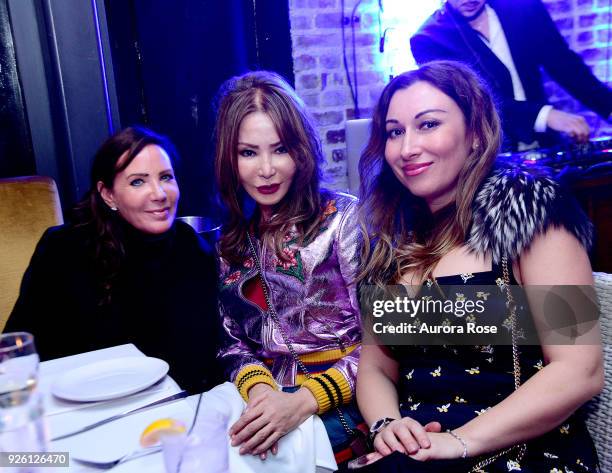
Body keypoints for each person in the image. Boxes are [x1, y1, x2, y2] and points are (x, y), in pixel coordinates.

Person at [354, 61, 603, 471]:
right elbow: (377, 367)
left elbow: (580, 368)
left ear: (475, 133)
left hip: (523, 452)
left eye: (428, 125)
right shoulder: (389, 235)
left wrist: (459, 441)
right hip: (419, 455)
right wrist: (387, 425)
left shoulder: (530, 210)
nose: (407, 147)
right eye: (395, 131)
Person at [214, 71, 365, 465]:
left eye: (279, 149)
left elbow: (383, 341)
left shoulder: (345, 220)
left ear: (301, 151)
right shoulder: (231, 239)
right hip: (264, 398)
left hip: (346, 398)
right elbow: (232, 342)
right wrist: (261, 390)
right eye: (248, 153)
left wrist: (302, 402)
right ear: (230, 159)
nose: (265, 169)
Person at [6, 126, 221, 393]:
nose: (159, 194)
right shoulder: (63, 249)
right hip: (80, 410)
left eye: (166, 177)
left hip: (172, 409)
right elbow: (18, 354)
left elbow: (211, 354)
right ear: (108, 194)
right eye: (138, 181)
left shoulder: (192, 247)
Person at [410, 0, 612, 150]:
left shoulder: (524, 8)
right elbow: (471, 101)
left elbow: (566, 66)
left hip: (546, 144)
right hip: (489, 153)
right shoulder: (429, 40)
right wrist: (542, 115)